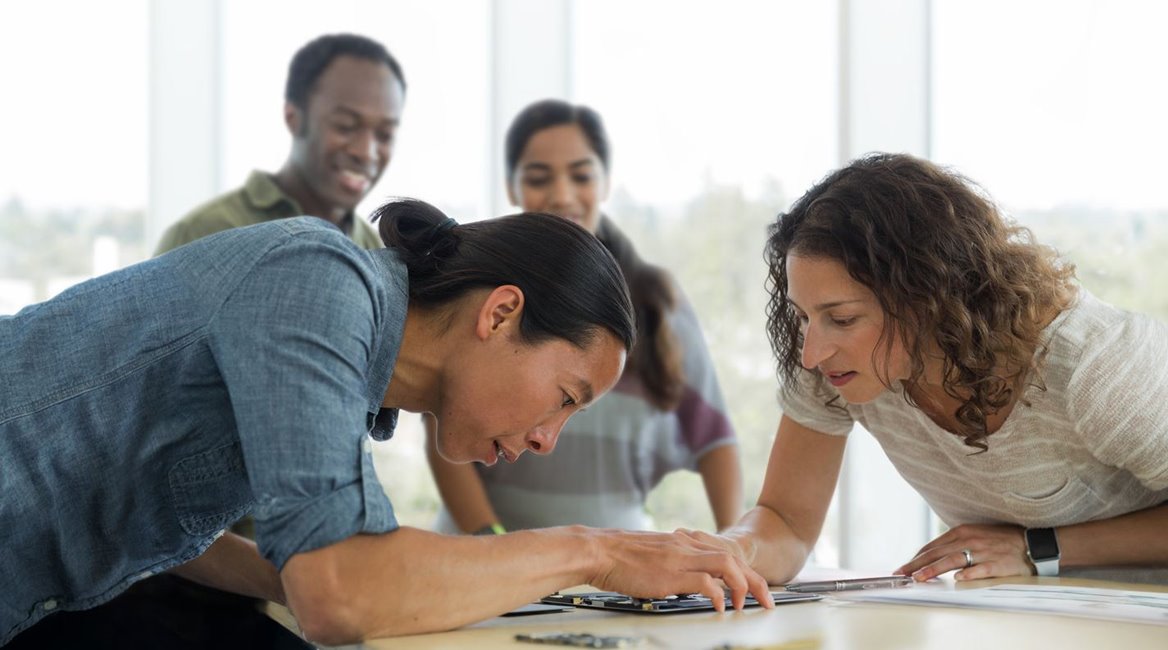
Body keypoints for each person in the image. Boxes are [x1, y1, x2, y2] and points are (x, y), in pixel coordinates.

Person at [1, 199, 774, 647]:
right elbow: (341, 592)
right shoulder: (314, 279)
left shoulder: (349, 355)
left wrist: (438, 583)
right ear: (501, 313)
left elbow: (169, 526)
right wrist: (592, 553)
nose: (547, 438)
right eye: (565, 397)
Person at [679, 152, 1168, 586]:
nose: (810, 352)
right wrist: (728, 551)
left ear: (928, 300)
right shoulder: (835, 366)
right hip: (1032, 618)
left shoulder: (1097, 366)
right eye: (804, 316)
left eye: (842, 318)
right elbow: (784, 520)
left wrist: (1038, 547)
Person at [426, 99, 743, 535]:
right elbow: (442, 418)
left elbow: (713, 438)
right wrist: (492, 541)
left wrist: (737, 548)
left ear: (606, 182)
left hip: (616, 564)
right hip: (486, 559)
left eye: (581, 175)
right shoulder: (485, 290)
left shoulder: (654, 300)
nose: (562, 193)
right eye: (539, 178)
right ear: (512, 187)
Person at [155, 32, 405, 254]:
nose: (366, 153)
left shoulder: (374, 249)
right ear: (293, 118)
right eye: (345, 126)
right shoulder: (202, 234)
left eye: (384, 135)